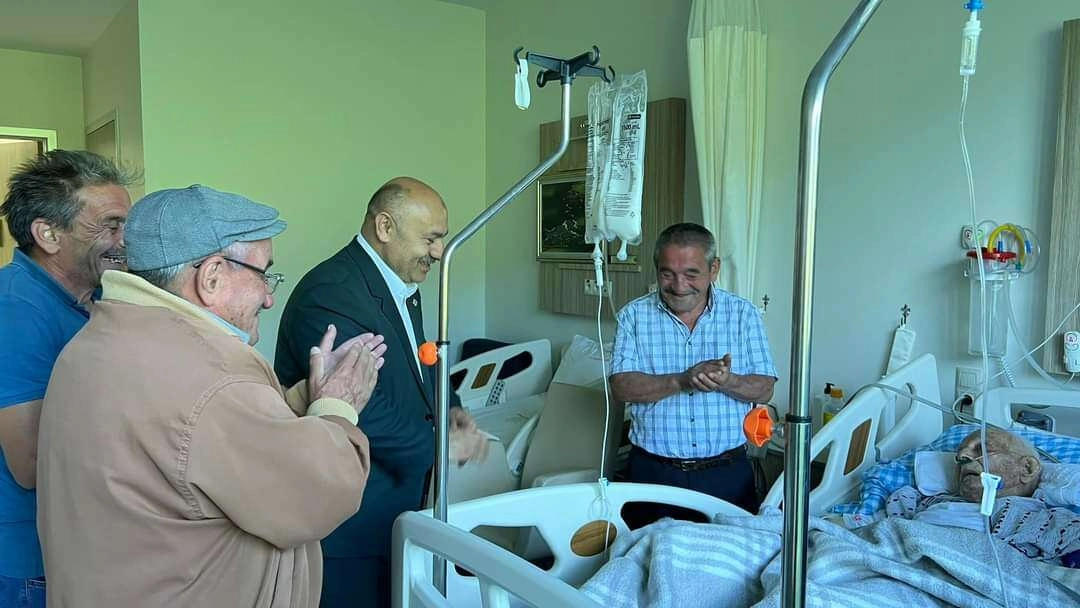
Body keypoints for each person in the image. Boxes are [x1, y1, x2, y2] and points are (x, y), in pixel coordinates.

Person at [36, 185, 381, 607]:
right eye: (264, 275)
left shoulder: (96, 340)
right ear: (212, 276)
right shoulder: (214, 378)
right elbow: (317, 497)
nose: (269, 298)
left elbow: (196, 447)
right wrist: (337, 406)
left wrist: (304, 397)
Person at [275, 176, 487, 608]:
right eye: (430, 239)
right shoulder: (331, 293)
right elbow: (357, 406)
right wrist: (439, 446)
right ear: (385, 227)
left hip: (397, 506)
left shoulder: (398, 286)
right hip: (350, 520)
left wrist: (451, 408)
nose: (439, 252)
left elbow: (420, 359)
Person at [0, 150, 132, 606]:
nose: (125, 239)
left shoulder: (96, 299)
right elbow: (32, 461)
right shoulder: (16, 309)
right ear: (48, 235)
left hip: (76, 547)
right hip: (27, 564)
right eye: (111, 225)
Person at [609, 222, 778, 520]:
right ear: (656, 269)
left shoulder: (743, 314)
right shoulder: (633, 316)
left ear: (714, 269)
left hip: (726, 475)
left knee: (731, 550)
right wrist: (682, 380)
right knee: (647, 548)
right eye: (667, 274)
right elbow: (621, 387)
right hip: (653, 475)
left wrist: (728, 380)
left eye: (691, 274)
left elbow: (765, 389)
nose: (679, 285)